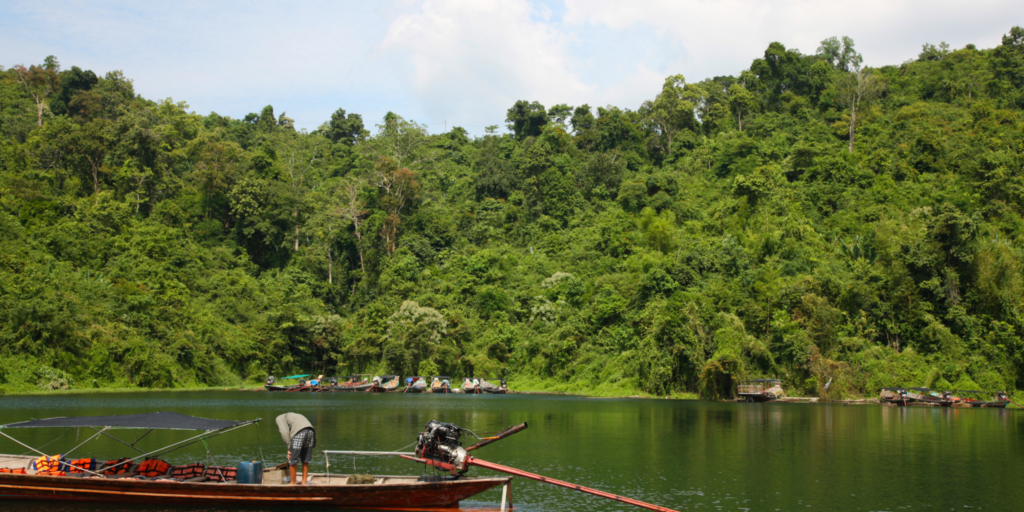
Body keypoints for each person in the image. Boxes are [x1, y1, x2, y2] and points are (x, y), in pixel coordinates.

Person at [276, 412, 315, 485]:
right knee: (305, 458)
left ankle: (292, 483)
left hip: (299, 431)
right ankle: (304, 482)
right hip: (311, 431)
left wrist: (289, 448)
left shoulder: (279, 418)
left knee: (292, 458)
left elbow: (284, 432)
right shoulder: (291, 416)